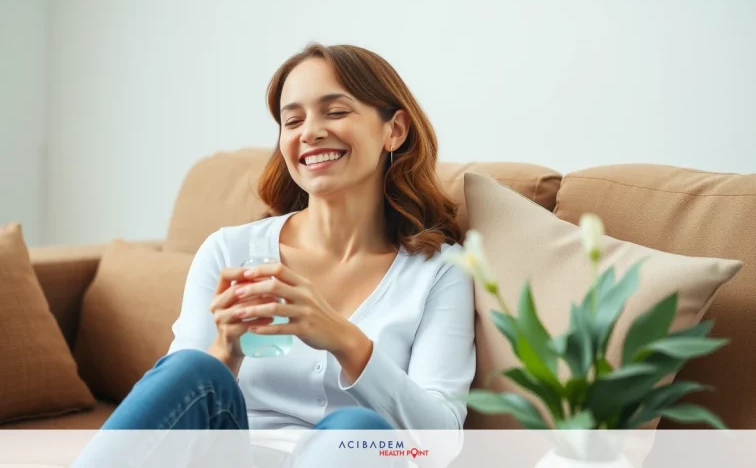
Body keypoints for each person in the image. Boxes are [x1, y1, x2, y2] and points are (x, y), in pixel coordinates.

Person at [71, 43, 477, 468]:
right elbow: (183, 406)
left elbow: (441, 442)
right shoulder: (230, 250)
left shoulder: (439, 272)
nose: (310, 132)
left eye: (335, 112)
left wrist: (343, 338)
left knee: (357, 432)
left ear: (394, 130)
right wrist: (227, 348)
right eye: (293, 120)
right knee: (193, 369)